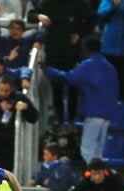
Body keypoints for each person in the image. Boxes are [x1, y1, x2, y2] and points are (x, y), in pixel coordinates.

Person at [44, 35, 119, 164]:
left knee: (87, 151)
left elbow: (70, 78)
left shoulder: (89, 65)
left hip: (94, 112)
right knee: (98, 152)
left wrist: (48, 70)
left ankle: (95, 179)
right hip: (108, 113)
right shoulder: (110, 67)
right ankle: (101, 178)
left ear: (87, 49)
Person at [27, 0, 98, 129]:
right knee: (56, 89)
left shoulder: (79, 4)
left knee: (73, 87)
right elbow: (30, 15)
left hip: (71, 51)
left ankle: (71, 120)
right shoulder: (48, 3)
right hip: (53, 51)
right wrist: (39, 16)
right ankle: (60, 120)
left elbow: (93, 19)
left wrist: (80, 34)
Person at [0, 74, 38, 171]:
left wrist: (26, 108)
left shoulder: (18, 98)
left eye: (6, 90)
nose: (3, 93)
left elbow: (34, 117)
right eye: (1, 90)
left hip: (9, 141)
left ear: (12, 89)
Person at [0, 4, 43, 69]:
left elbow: (42, 32)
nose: (15, 31)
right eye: (12, 28)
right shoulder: (2, 40)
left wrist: (38, 41)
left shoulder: (26, 40)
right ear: (9, 30)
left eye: (18, 29)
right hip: (4, 71)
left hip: (21, 73)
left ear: (23, 31)